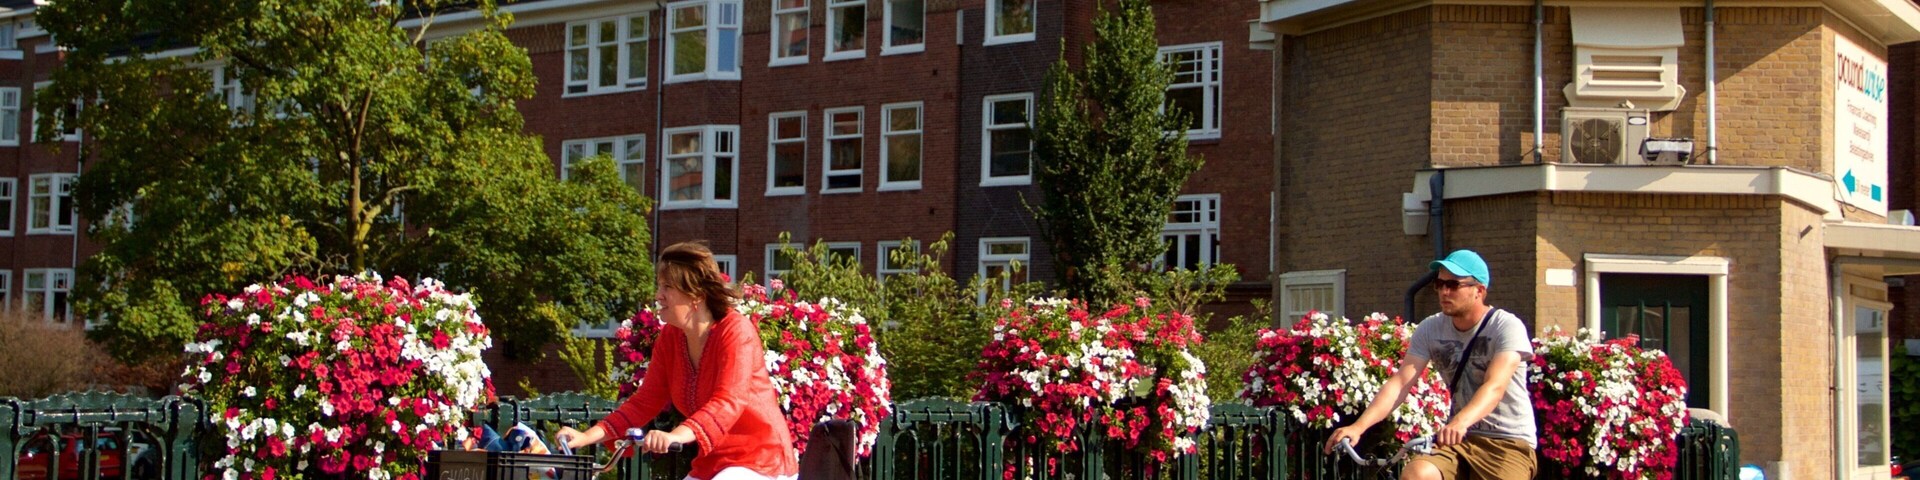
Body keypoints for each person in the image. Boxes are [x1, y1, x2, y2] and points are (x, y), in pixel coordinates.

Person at [555, 241, 799, 480]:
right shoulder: (670, 337)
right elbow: (644, 402)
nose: (658, 295)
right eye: (659, 285)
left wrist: (675, 436)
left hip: (762, 462)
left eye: (667, 287)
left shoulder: (736, 331)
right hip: (713, 464)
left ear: (696, 295)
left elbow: (727, 401)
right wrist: (587, 436)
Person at [1324, 249, 1536, 480]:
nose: (1444, 291)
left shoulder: (1505, 326)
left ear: (1479, 291)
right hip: (1458, 441)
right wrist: (1358, 427)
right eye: (1439, 283)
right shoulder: (1430, 328)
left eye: (1454, 285)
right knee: (1417, 473)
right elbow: (1401, 381)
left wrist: (1459, 422)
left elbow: (1495, 386)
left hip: (1507, 442)